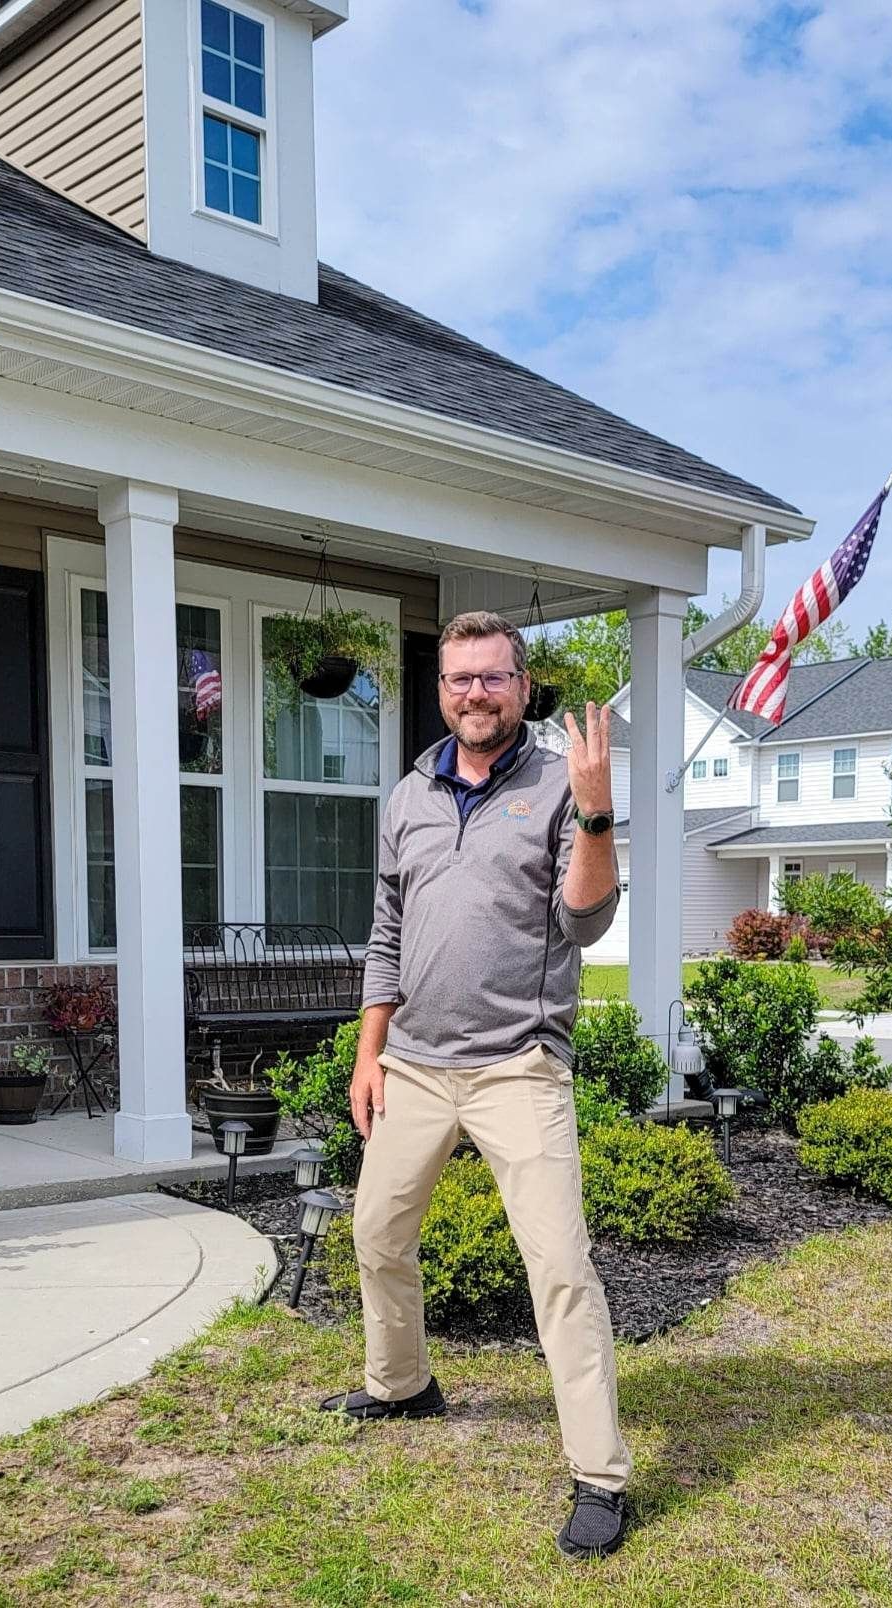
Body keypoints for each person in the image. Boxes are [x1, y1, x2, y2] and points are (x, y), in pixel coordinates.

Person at [319, 610, 633, 1560]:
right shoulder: (408, 794)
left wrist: (594, 810)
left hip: (518, 1065)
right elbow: (385, 934)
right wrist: (369, 1052)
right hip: (414, 1062)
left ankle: (602, 1477)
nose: (475, 695)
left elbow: (585, 923)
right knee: (376, 1233)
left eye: (492, 678)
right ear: (442, 687)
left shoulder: (556, 783)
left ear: (521, 685)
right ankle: (403, 1384)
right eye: (459, 679)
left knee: (560, 1269)